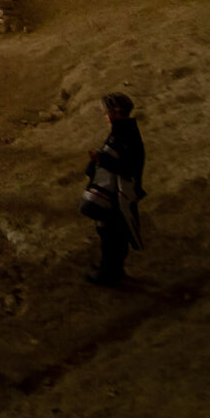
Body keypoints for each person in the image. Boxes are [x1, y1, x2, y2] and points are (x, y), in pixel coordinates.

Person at [84, 92, 145, 287]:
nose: (105, 115)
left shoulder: (125, 135)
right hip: (114, 192)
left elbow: (127, 167)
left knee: (112, 236)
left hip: (117, 196)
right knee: (111, 234)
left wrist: (100, 160)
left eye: (108, 111)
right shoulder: (123, 131)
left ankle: (109, 274)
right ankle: (111, 269)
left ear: (116, 112)